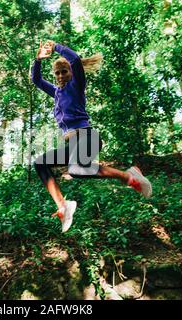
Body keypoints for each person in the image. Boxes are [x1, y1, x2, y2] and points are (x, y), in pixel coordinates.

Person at [31, 40, 152, 233]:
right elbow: (36, 80)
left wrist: (56, 47)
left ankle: (128, 176)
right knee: (40, 163)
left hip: (87, 137)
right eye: (58, 73)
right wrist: (38, 60)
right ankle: (63, 205)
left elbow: (76, 61)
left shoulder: (76, 86)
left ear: (70, 73)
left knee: (76, 169)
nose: (61, 75)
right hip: (72, 145)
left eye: (64, 71)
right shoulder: (56, 93)